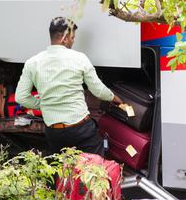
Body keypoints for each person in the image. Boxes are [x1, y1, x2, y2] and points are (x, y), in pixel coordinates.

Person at [15, 17, 124, 157]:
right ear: (65, 38)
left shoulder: (32, 62)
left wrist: (44, 105)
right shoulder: (79, 58)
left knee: (61, 168)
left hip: (54, 132)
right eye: (72, 38)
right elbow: (98, 90)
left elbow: (21, 97)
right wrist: (114, 98)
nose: (73, 42)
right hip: (80, 129)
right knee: (95, 164)